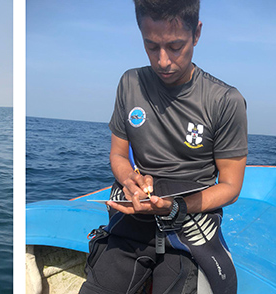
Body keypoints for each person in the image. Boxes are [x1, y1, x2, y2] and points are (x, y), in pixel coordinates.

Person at [81, 1, 246, 293]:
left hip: (191, 220)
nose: (163, 61)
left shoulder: (225, 101)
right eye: (151, 46)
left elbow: (231, 186)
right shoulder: (130, 82)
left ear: (196, 34)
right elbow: (118, 154)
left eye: (175, 46)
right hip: (136, 213)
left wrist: (177, 207)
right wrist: (127, 179)